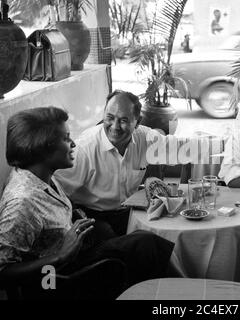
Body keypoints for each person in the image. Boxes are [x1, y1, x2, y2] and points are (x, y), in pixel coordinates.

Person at [0, 107, 175, 299]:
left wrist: (78, 219)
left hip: (72, 256)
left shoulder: (42, 176)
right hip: (55, 281)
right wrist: (59, 256)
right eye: (66, 138)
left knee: (128, 237)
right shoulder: (23, 202)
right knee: (144, 244)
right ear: (44, 147)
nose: (73, 143)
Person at [54, 90, 177, 241]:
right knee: (135, 242)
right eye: (110, 118)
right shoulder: (85, 148)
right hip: (93, 216)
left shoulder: (144, 137)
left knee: (164, 232)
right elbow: (56, 192)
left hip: (128, 211)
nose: (115, 126)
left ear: (138, 122)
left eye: (123, 120)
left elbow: (178, 148)